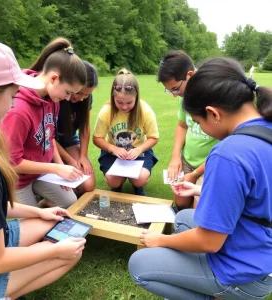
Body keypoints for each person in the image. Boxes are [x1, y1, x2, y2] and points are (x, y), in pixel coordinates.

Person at [128, 57, 272, 300]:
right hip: (261, 252)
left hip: (244, 274)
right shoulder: (264, 129)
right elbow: (255, 199)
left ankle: (218, 296)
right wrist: (197, 191)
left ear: (213, 113)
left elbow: (209, 242)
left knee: (140, 264)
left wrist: (160, 240)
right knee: (185, 217)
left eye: (197, 122)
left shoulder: (228, 154)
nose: (201, 129)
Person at [0, 34, 86, 300]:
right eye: (12, 95)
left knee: (48, 222)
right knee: (68, 251)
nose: (13, 104)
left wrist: (39, 213)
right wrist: (54, 251)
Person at [0, 37, 87, 208]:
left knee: (69, 202)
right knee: (34, 223)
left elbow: (50, 136)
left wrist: (61, 167)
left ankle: (41, 206)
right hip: (18, 180)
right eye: (68, 92)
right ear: (54, 78)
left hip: (41, 173)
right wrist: (55, 169)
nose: (68, 99)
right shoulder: (18, 109)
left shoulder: (52, 99)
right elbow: (12, 163)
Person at [158, 50, 219, 210]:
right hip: (188, 159)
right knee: (181, 202)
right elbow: (182, 125)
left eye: (175, 89)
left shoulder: (213, 96)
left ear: (190, 75)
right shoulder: (186, 97)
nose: (174, 95)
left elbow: (224, 147)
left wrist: (196, 173)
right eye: (170, 90)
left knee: (199, 210)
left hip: (209, 163)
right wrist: (175, 156)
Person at [93, 69, 159, 196]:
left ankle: (138, 186)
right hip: (113, 152)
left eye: (129, 102)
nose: (124, 107)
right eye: (119, 102)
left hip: (139, 151)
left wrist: (138, 150)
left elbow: (153, 137)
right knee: (113, 181)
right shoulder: (106, 111)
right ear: (113, 98)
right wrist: (113, 148)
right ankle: (118, 185)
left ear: (136, 97)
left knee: (139, 179)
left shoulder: (145, 110)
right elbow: (97, 138)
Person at [56, 61, 98, 196]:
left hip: (69, 139)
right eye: (79, 93)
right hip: (49, 143)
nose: (81, 99)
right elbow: (49, 137)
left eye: (87, 95)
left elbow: (84, 126)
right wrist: (70, 160)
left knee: (88, 185)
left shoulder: (85, 98)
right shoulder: (57, 96)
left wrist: (83, 156)